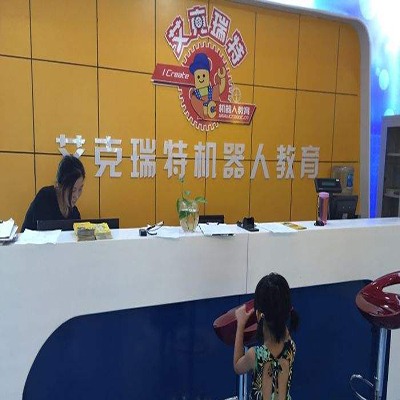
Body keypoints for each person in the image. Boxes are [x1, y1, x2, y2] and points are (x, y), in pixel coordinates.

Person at [233, 273, 299, 400]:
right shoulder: (291, 346)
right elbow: (281, 321)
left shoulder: (255, 355)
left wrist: (240, 324)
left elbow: (237, 366)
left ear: (259, 315)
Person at [21, 155, 85, 231]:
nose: (76, 196)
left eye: (80, 189)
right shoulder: (44, 199)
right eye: (73, 190)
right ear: (58, 185)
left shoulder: (74, 213)